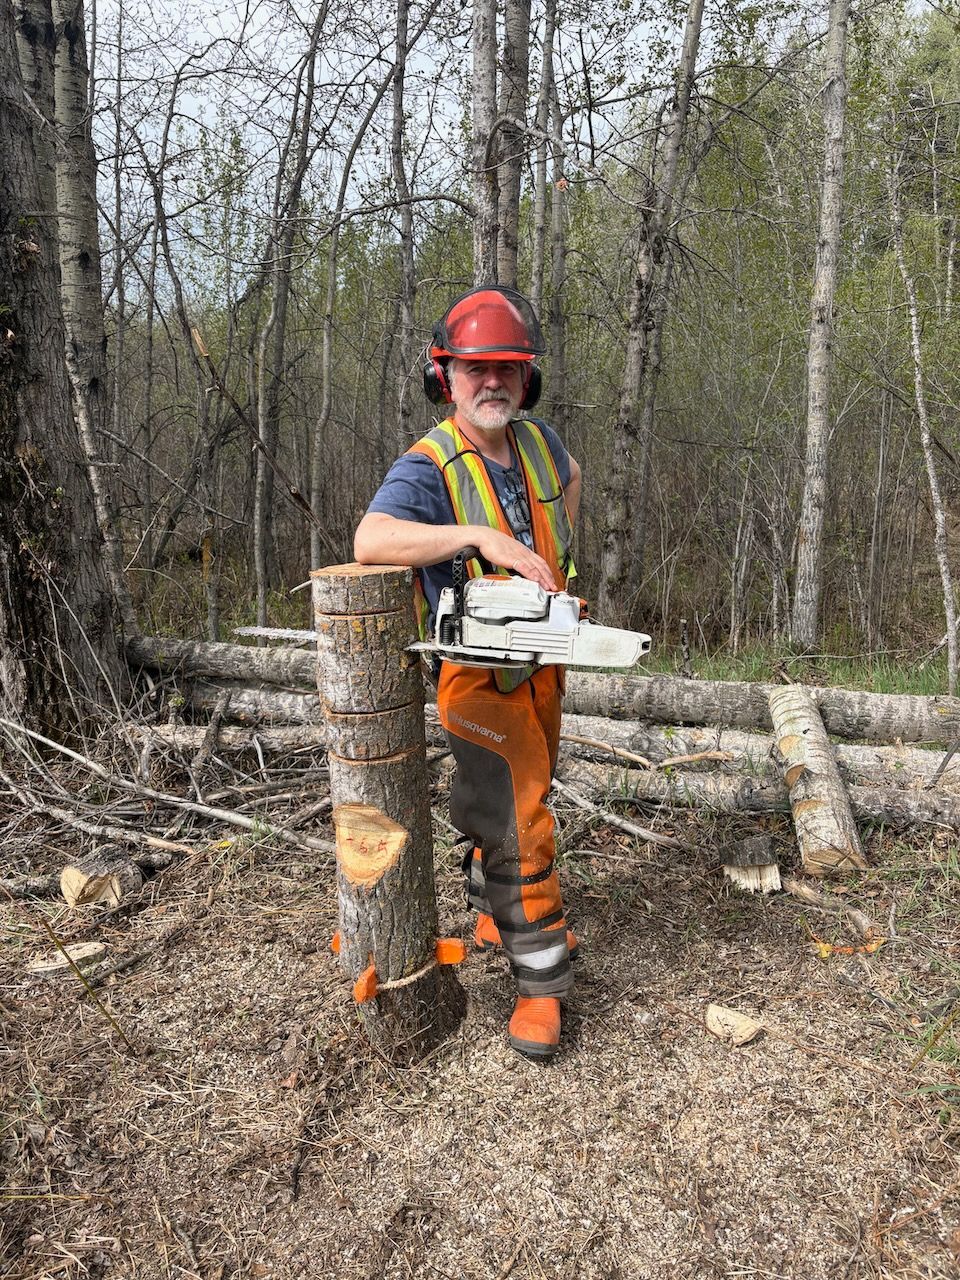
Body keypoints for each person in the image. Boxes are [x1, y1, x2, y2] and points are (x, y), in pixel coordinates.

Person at [354, 286, 582, 1059]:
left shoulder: (541, 444)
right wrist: (481, 536)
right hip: (479, 679)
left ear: (528, 380)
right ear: (443, 377)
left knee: (520, 800)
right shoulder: (428, 467)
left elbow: (570, 482)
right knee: (522, 827)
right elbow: (371, 539)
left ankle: (495, 912)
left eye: (508, 372)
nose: (493, 385)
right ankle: (541, 988)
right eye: (476, 370)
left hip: (544, 663)